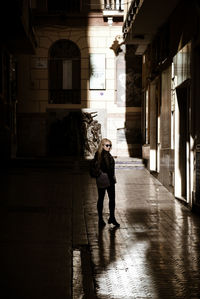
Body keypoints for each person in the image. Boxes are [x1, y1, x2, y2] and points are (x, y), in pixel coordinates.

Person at [94, 138, 120, 228]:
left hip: (110, 179)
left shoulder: (108, 154)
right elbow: (104, 168)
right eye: (107, 145)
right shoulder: (99, 155)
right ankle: (101, 219)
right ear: (102, 146)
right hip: (103, 179)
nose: (109, 147)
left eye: (110, 145)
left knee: (112, 199)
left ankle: (112, 217)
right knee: (101, 198)